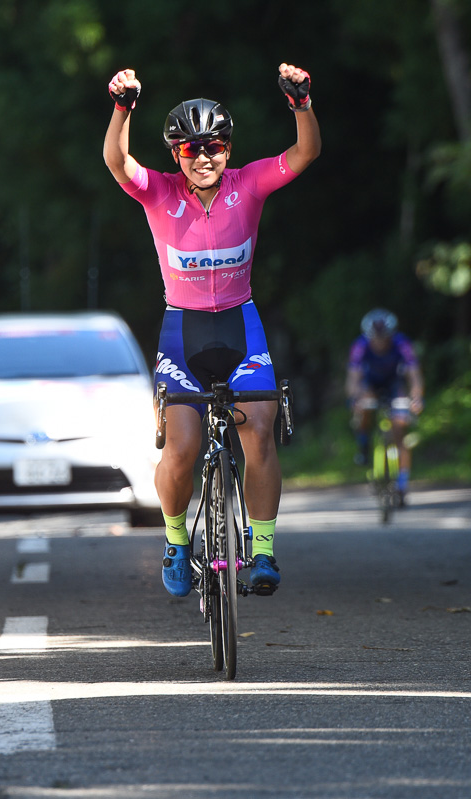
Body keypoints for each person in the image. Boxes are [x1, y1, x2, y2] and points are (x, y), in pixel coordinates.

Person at [104, 64, 320, 597]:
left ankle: (263, 550)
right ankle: (177, 541)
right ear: (176, 154)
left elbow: (305, 153)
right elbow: (116, 160)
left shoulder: (247, 184)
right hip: (183, 333)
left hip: (241, 326)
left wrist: (302, 104)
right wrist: (122, 109)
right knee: (180, 448)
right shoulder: (159, 192)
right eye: (190, 150)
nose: (204, 157)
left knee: (260, 433)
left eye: (216, 147)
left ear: (228, 148)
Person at [346, 308, 424, 495]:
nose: (380, 343)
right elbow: (353, 378)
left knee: (399, 430)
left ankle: (402, 483)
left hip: (394, 384)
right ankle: (363, 442)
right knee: (364, 406)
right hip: (370, 384)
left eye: (384, 339)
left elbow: (414, 375)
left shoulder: (401, 343)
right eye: (376, 339)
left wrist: (416, 397)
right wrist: (354, 398)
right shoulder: (360, 345)